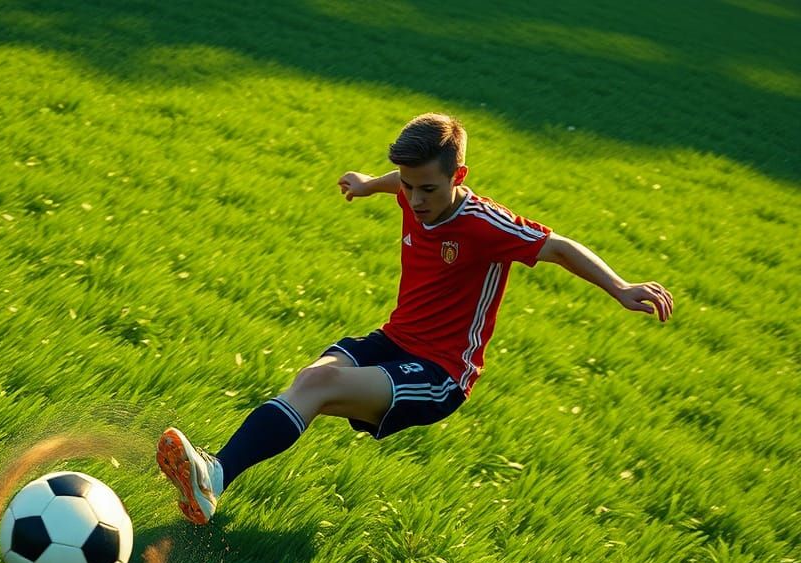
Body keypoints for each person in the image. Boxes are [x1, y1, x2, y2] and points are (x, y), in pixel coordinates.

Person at [156, 112, 674, 525]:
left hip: (440, 373)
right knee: (313, 378)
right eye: (408, 187)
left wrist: (621, 287)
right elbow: (397, 182)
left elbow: (558, 247)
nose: (415, 200)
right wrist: (366, 184)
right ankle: (213, 481)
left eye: (428, 189)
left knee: (320, 384)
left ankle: (215, 475)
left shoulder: (483, 224)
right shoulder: (410, 189)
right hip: (394, 339)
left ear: (458, 177)